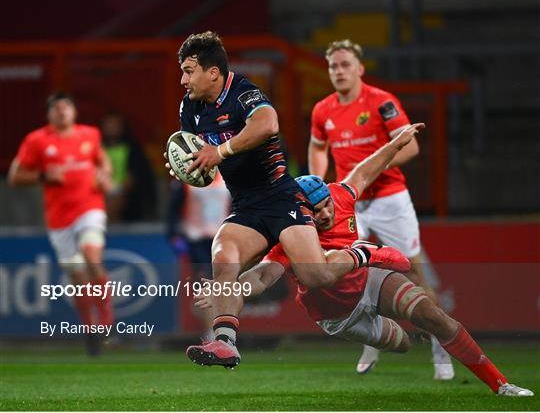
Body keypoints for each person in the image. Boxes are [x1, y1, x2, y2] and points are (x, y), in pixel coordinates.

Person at [195, 127, 533, 397]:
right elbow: (264, 277)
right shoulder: (291, 233)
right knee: (400, 343)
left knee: (432, 315)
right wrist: (231, 288)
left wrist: (397, 143)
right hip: (338, 315)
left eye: (326, 204)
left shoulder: (340, 195)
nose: (326, 213)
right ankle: (367, 275)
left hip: (369, 280)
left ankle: (500, 383)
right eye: (317, 210)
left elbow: (367, 169)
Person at [166, 31, 409, 368]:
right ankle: (225, 342)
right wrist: (188, 167)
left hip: (282, 197)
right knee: (224, 259)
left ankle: (362, 252)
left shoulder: (243, 92)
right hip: (246, 206)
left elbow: (268, 124)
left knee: (315, 276)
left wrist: (219, 151)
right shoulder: (190, 108)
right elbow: (202, 159)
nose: (183, 79)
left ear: (213, 72)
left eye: (189, 70)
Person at [308, 39, 453, 379]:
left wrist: (369, 167)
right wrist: (317, 187)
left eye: (345, 65)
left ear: (359, 68)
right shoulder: (322, 110)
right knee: (346, 271)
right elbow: (317, 148)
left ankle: (440, 346)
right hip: (347, 202)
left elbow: (411, 146)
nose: (339, 71)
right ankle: (371, 341)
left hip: (389, 197)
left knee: (414, 272)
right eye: (333, 66)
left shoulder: (381, 101)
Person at [8, 92, 114, 356]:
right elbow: (15, 176)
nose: (62, 112)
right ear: (49, 114)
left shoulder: (89, 135)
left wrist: (105, 174)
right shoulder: (37, 141)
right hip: (59, 220)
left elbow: (104, 161)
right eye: (56, 108)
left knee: (92, 257)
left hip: (90, 209)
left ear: (74, 112)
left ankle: (107, 321)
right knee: (77, 276)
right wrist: (43, 175)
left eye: (66, 107)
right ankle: (91, 331)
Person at [166, 171, 231, 339]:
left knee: (223, 285)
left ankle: (222, 329)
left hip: (223, 238)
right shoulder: (186, 179)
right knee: (205, 282)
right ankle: (211, 333)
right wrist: (174, 237)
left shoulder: (227, 178)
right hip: (197, 240)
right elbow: (173, 211)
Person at [100, 111, 157, 223]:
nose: (111, 127)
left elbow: (136, 176)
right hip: (103, 195)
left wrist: (120, 193)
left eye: (115, 124)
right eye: (109, 124)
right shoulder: (97, 147)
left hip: (130, 202)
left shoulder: (133, 148)